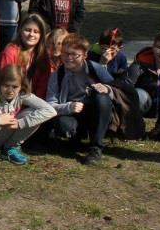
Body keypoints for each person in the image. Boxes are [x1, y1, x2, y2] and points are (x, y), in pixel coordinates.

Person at [45, 34, 116, 165]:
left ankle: (96, 147)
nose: (68, 58)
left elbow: (117, 88)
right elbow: (50, 104)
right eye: (65, 53)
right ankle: (76, 137)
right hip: (72, 113)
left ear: (85, 55)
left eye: (74, 54)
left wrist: (107, 89)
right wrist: (68, 106)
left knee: (102, 98)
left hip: (94, 111)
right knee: (63, 126)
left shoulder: (95, 68)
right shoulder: (57, 75)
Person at [0, 65, 56, 166]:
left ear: (21, 86)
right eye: (6, 85)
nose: (10, 90)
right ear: (0, 83)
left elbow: (50, 110)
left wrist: (20, 123)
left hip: (4, 135)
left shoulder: (21, 95)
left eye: (15, 87)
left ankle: (10, 148)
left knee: (33, 113)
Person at [0, 13, 50, 90]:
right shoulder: (10, 53)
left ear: (41, 35)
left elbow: (43, 86)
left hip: (34, 99)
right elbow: (4, 83)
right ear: (20, 31)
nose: (31, 34)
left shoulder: (43, 56)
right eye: (28, 30)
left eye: (36, 31)